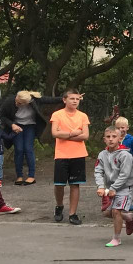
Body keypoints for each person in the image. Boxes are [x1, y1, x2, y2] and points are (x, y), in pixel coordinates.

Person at [50, 89, 90, 225]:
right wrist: (74, 133)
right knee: (59, 184)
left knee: (75, 184)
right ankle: (59, 205)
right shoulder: (57, 114)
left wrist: (65, 134)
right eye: (72, 98)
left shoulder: (83, 116)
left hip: (78, 154)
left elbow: (85, 135)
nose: (74, 101)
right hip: (62, 154)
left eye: (77, 99)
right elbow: (55, 133)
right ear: (64, 100)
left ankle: (73, 213)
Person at [94, 125, 133, 247]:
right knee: (106, 213)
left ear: (120, 138)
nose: (111, 139)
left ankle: (116, 238)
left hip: (124, 188)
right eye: (108, 137)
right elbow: (98, 171)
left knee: (116, 211)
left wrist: (114, 188)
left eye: (114, 136)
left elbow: (125, 175)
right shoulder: (102, 154)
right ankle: (129, 218)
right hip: (110, 187)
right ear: (104, 139)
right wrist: (101, 186)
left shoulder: (125, 155)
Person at [1, 90, 49, 185]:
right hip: (17, 125)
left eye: (19, 103)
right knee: (19, 149)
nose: (16, 103)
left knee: (28, 149)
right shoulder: (9, 101)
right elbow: (2, 116)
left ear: (27, 102)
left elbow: (50, 100)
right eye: (16, 100)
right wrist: (12, 125)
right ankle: (19, 175)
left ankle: (31, 176)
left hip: (30, 126)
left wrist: (66, 98)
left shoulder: (34, 100)